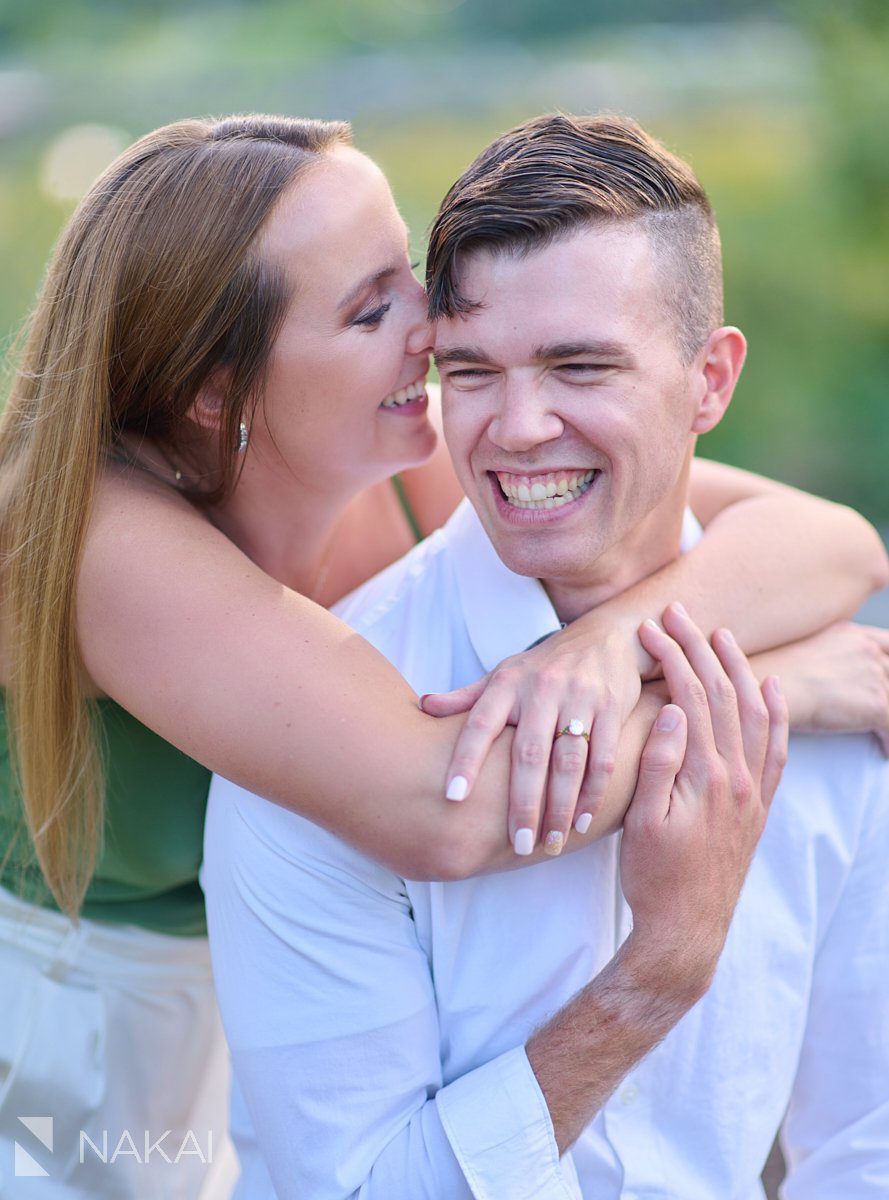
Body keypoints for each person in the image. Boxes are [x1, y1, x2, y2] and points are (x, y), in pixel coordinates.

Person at [0, 115, 885, 1197]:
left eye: (407, 279)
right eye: (373, 308)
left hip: (240, 1040)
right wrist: (762, 695)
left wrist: (613, 646)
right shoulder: (103, 546)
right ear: (217, 390)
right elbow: (448, 805)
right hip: (52, 1056)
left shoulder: (416, 464)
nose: (434, 331)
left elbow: (829, 541)